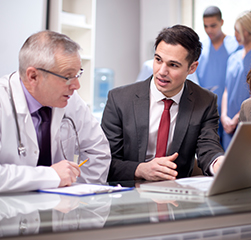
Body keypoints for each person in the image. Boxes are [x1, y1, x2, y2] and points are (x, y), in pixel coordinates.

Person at [101, 25, 224, 182]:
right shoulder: (119, 99)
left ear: (192, 68)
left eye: (173, 65)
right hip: (128, 191)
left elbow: (208, 147)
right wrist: (140, 169)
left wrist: (218, 163)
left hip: (176, 196)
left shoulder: (205, 101)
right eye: (158, 60)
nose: (162, 71)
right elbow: (106, 162)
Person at [0, 30, 111, 192]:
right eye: (67, 77)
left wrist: (75, 192)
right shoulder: (3, 101)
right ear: (33, 76)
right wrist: (51, 176)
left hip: (60, 209)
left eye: (77, 75)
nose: (76, 86)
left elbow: (98, 151)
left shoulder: (70, 99)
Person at [193, 6, 241, 144]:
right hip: (208, 111)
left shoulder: (236, 45)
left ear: (222, 22)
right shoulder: (201, 48)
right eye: (205, 26)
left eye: (213, 25)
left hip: (230, 113)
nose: (209, 30)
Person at [221, 11, 251, 150]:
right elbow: (227, 90)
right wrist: (224, 115)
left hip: (246, 120)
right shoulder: (233, 57)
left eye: (238, 31)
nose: (235, 35)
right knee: (228, 164)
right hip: (228, 124)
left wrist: (238, 117)